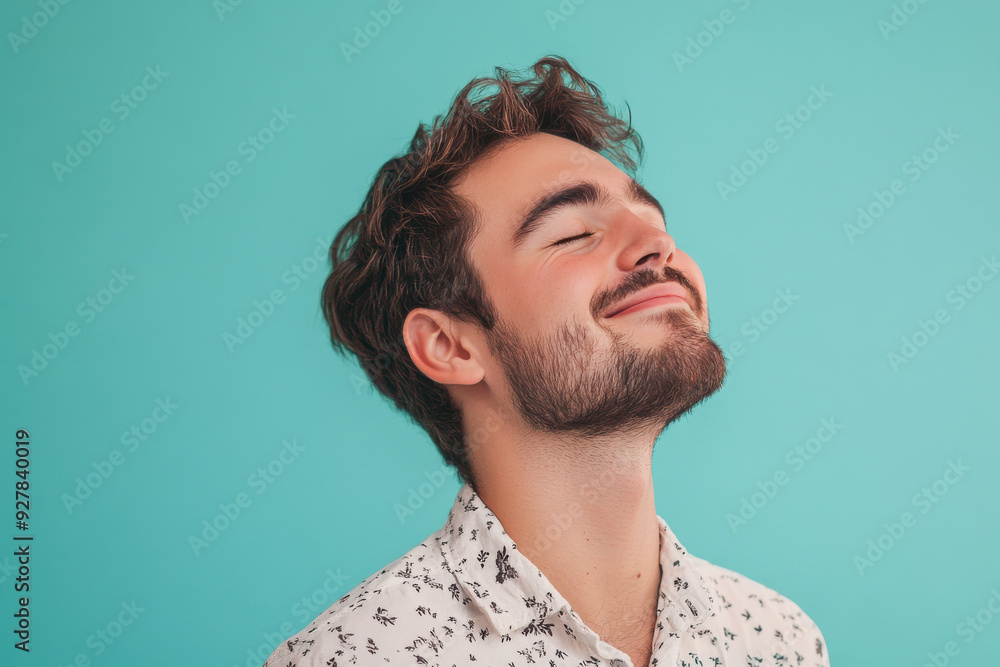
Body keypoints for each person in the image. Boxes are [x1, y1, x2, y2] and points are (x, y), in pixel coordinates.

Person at [264, 55, 829, 667]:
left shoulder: (779, 640)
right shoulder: (353, 656)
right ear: (450, 346)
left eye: (653, 221)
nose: (658, 245)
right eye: (572, 234)